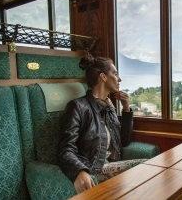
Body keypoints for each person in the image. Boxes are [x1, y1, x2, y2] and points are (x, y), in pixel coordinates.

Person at [57, 54, 147, 194]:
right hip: (93, 167)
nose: (119, 79)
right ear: (103, 77)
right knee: (145, 167)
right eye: (115, 74)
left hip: (113, 164)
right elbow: (65, 149)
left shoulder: (109, 106)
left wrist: (127, 109)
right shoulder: (78, 107)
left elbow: (124, 141)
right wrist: (79, 172)